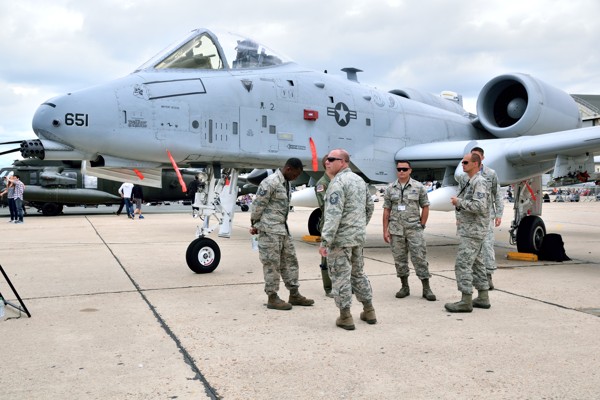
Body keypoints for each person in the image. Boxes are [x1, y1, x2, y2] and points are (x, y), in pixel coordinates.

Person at [318, 149, 375, 330]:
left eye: (332, 159)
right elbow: (370, 207)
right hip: (357, 238)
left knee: (341, 277)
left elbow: (332, 216)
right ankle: (369, 310)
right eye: (327, 159)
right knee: (358, 273)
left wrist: (325, 241)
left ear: (343, 162)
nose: (328, 162)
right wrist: (358, 226)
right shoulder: (360, 181)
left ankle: (345, 316)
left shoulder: (337, 183)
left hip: (340, 240)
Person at [250, 158, 314, 311]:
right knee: (272, 264)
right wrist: (255, 224)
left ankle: (294, 293)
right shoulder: (270, 182)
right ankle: (272, 297)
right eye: (296, 174)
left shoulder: (286, 183)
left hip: (282, 230)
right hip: (269, 230)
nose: (296, 178)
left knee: (290, 261)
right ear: (288, 169)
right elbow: (258, 205)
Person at [382, 160, 436, 301]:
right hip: (396, 230)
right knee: (399, 260)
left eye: (404, 169)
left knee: (420, 258)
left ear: (410, 170)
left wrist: (422, 225)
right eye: (399, 169)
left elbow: (425, 206)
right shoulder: (390, 188)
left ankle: (426, 288)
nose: (401, 171)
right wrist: (385, 230)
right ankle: (404, 287)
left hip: (414, 229)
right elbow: (386, 210)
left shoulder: (418, 187)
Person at [446, 153, 490, 313]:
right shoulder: (469, 181)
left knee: (462, 264)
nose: (462, 164)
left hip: (474, 230)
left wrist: (460, 202)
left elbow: (480, 206)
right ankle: (483, 297)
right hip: (469, 229)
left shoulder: (479, 182)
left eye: (465, 162)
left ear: (476, 164)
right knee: (477, 263)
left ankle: (466, 300)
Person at [471, 147, 504, 290]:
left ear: (482, 158)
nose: (475, 158)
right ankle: (475, 277)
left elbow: (497, 194)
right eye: (473, 156)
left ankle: (488, 276)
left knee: (487, 246)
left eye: (477, 156)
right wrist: (458, 216)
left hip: (486, 216)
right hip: (470, 217)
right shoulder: (466, 175)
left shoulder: (490, 174)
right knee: (471, 248)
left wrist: (498, 214)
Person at [315, 155, 333, 297]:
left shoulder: (338, 181)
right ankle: (328, 288)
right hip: (328, 224)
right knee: (326, 256)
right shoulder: (322, 184)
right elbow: (325, 205)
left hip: (341, 224)